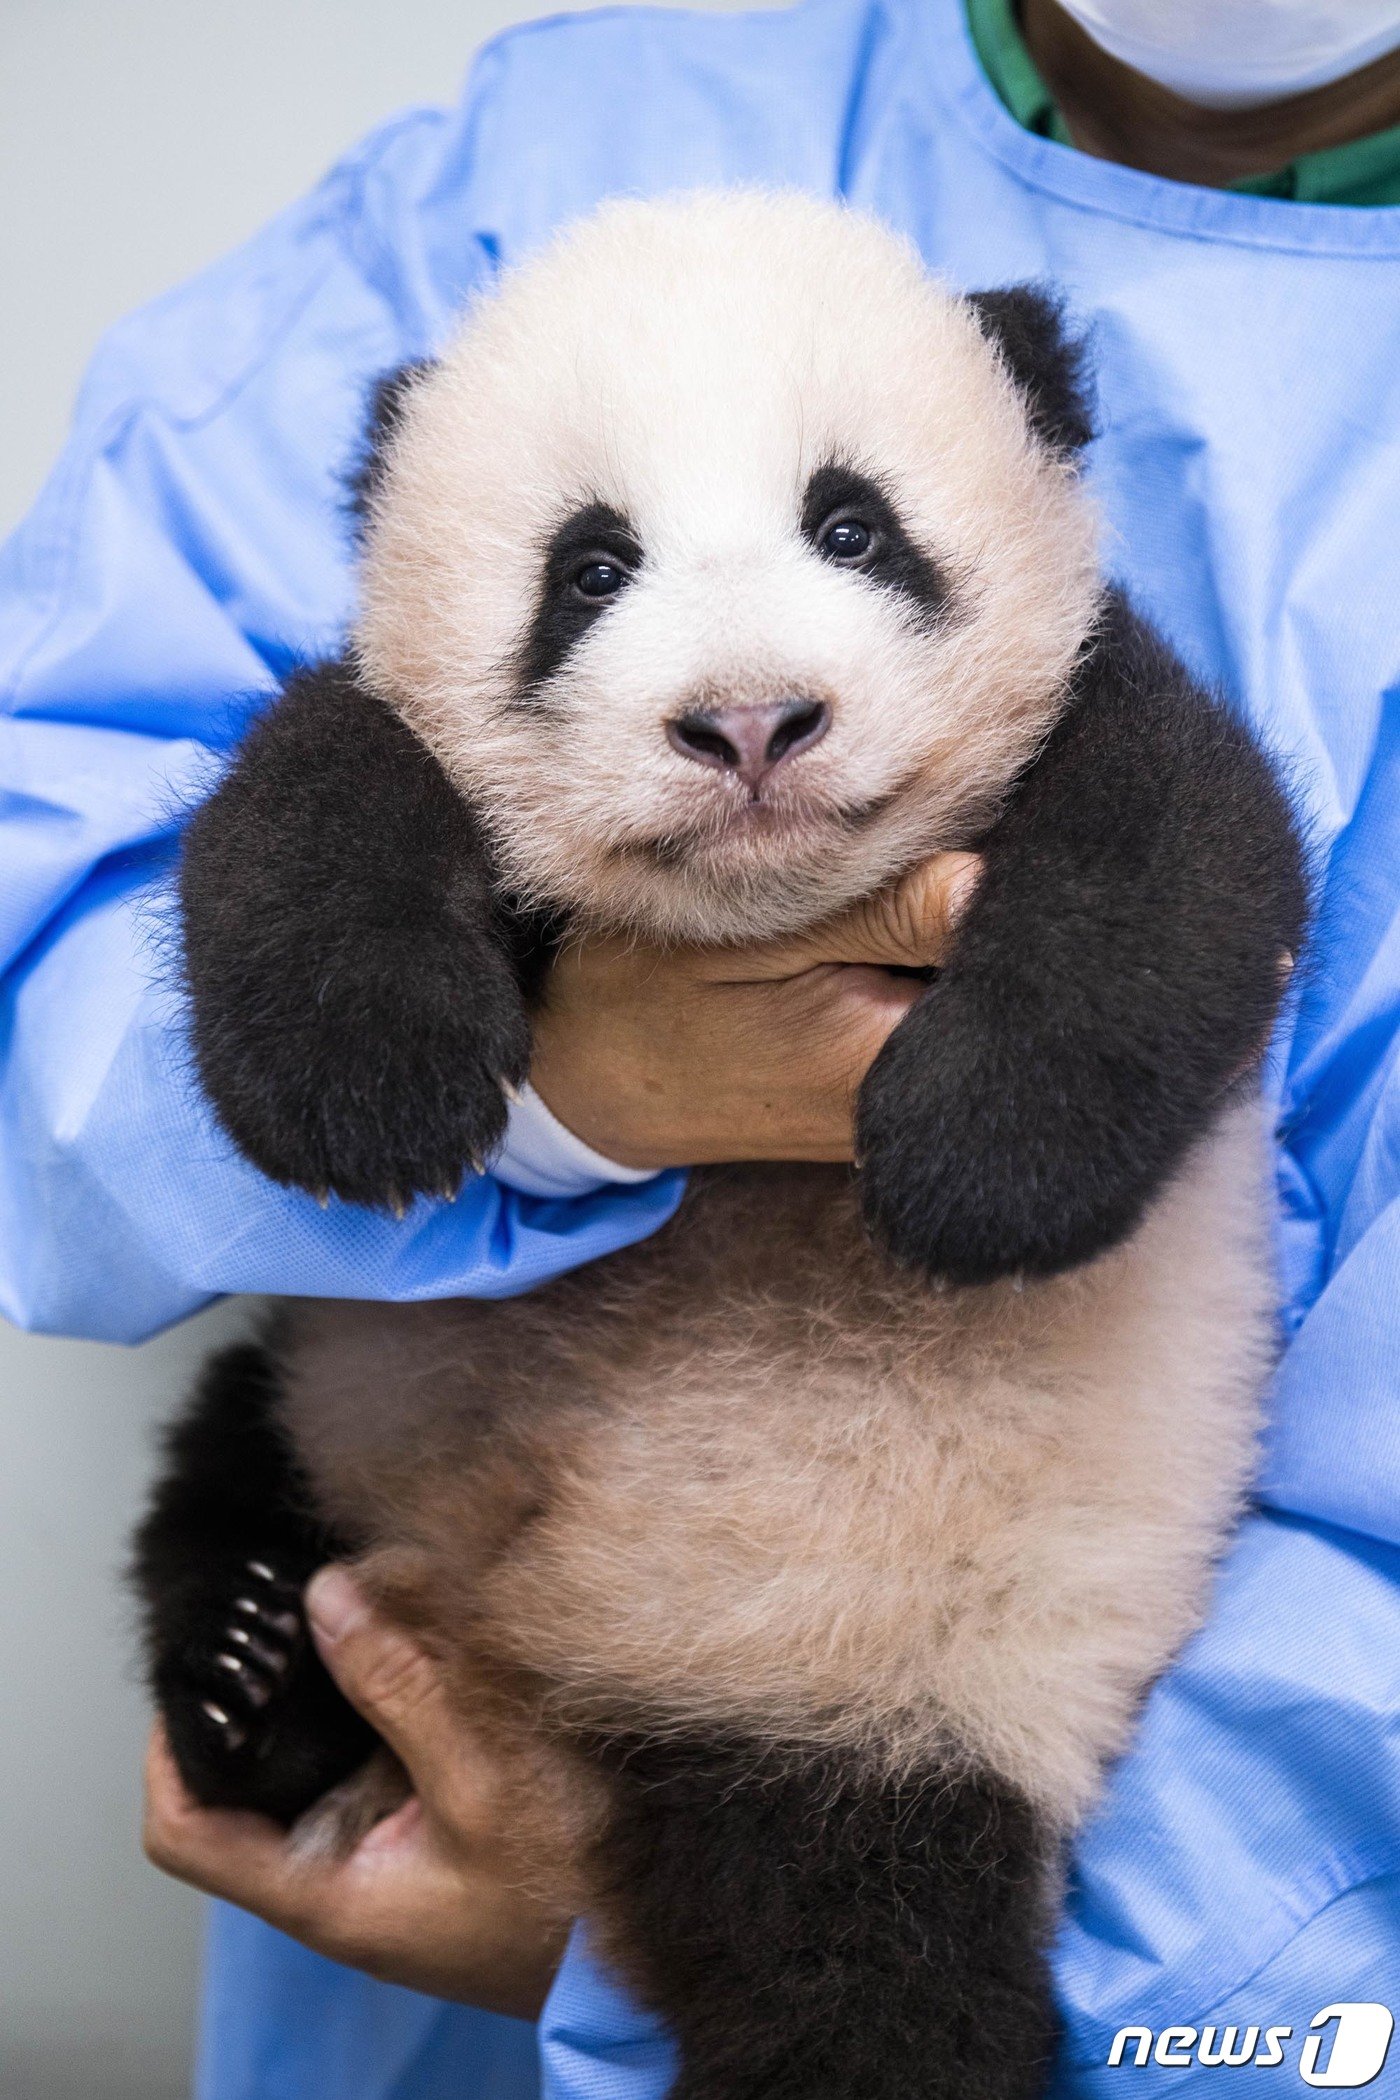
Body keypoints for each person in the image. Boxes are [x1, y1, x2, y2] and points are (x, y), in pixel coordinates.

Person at [5, 0, 1400, 2093]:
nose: (742, 688)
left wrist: (1193, 2009)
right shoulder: (544, 158)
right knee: (258, 1492)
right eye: (589, 573)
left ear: (1018, 428)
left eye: (851, 532)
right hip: (421, 1653)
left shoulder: (1118, 727)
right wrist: (554, 1094)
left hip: (928, 1717)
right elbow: (77, 936)